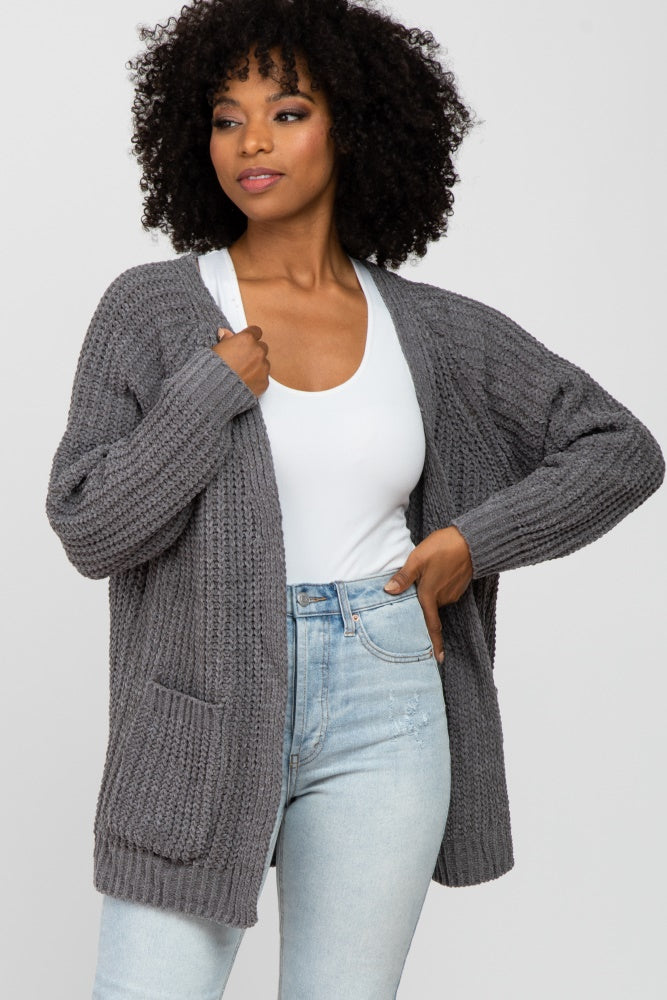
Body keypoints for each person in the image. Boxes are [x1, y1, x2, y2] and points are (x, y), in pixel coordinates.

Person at [44, 0, 664, 997]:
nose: (251, 140)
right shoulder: (150, 309)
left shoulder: (433, 329)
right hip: (199, 704)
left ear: (354, 128)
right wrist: (207, 394)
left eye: (286, 112)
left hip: (385, 689)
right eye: (226, 117)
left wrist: (469, 542)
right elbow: (89, 525)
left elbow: (619, 449)